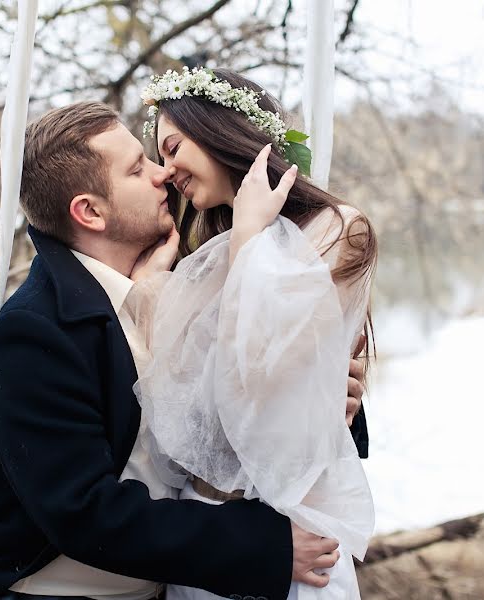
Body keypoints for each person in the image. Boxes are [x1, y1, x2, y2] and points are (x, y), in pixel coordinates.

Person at [0, 100, 369, 600]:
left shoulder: (173, 278)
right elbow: (86, 514)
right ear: (91, 211)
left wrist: (331, 396)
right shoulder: (37, 330)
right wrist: (264, 546)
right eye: (137, 168)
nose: (163, 174)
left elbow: (232, 406)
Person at [126, 67, 379, 600]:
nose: (167, 171)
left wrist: (247, 237)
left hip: (289, 542)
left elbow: (257, 385)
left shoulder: (336, 229)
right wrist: (152, 289)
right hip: (207, 544)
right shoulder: (206, 251)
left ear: (220, 129)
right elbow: (176, 412)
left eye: (173, 148)